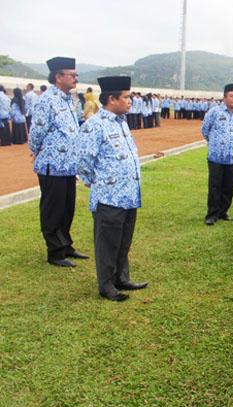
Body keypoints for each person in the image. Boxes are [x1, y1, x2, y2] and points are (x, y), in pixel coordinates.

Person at [76, 76, 147, 302]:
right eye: (126, 97)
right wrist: (90, 179)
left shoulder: (122, 122)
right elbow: (83, 158)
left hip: (128, 195)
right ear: (111, 99)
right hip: (109, 197)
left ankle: (121, 277)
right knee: (107, 243)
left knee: (123, 240)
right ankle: (106, 285)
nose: (130, 101)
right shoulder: (95, 125)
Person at [29, 57, 89, 267]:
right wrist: (36, 151)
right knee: (53, 209)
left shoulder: (68, 99)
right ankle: (54, 252)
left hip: (68, 164)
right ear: (58, 77)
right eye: (72, 75)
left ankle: (66, 245)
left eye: (76, 75)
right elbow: (37, 131)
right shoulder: (47, 100)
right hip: (52, 164)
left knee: (67, 207)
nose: (76, 78)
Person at [201, 83, 233, 225]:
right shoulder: (215, 112)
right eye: (232, 96)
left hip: (232, 158)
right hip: (216, 157)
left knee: (228, 187)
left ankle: (223, 212)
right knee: (215, 186)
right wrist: (214, 143)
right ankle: (212, 215)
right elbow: (205, 130)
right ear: (224, 97)